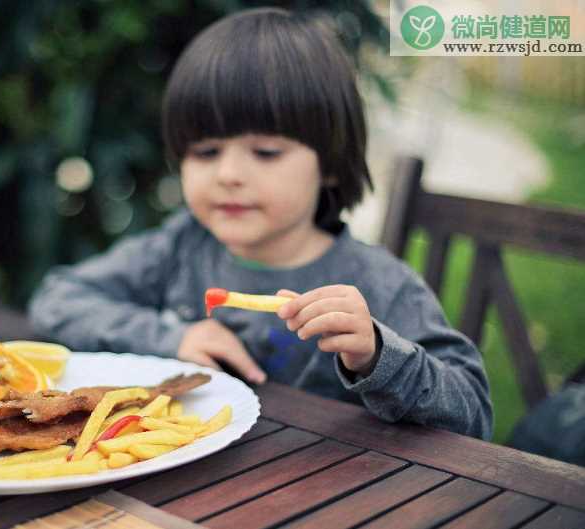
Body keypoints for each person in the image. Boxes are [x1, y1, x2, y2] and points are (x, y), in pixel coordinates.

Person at [28, 8, 492, 440]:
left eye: (266, 152)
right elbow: (58, 298)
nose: (228, 174)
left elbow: (473, 414)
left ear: (329, 164)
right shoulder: (183, 246)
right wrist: (175, 336)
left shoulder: (380, 284)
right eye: (206, 152)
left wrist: (375, 354)